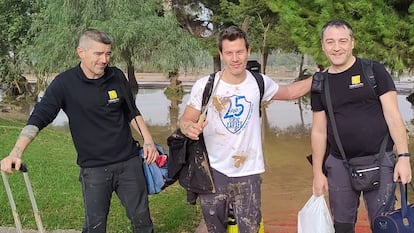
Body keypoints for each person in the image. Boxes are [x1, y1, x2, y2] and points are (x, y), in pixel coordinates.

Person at [0, 29, 158, 233]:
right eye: (98, 54)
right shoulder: (64, 84)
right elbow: (39, 117)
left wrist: (148, 140)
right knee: (95, 227)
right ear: (81, 52)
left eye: (108, 54)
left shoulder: (116, 76)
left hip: (128, 163)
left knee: (142, 222)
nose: (104, 60)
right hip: (94, 170)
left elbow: (131, 112)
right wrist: (16, 152)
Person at [179, 25, 312, 233]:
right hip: (213, 172)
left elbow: (289, 92)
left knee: (249, 228)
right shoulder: (205, 85)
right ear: (222, 55)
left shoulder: (258, 83)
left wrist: (321, 77)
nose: (235, 58)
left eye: (239, 52)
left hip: (249, 172)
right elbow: (185, 119)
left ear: (248, 52)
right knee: (215, 228)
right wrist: (190, 128)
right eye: (229, 53)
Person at [311, 19, 412, 232]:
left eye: (342, 41)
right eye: (330, 42)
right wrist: (318, 174)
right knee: (342, 227)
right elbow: (319, 131)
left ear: (352, 43)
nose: (336, 47)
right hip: (339, 164)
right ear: (323, 45)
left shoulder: (373, 71)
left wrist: (403, 157)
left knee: (386, 225)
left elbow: (394, 117)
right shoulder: (320, 82)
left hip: (381, 161)